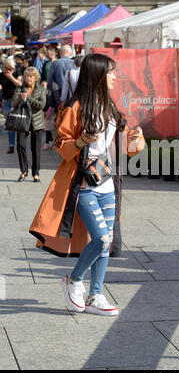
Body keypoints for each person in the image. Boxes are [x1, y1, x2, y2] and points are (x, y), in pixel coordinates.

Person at [29, 53, 145, 315]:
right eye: (111, 72)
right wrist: (81, 140)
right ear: (98, 75)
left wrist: (135, 139)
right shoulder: (74, 107)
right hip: (83, 183)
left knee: (107, 242)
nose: (115, 77)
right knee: (101, 240)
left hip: (108, 183)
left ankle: (94, 296)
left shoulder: (111, 107)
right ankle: (73, 279)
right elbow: (60, 144)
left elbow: (121, 147)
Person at [12, 67, 46, 182]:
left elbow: (41, 105)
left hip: (37, 122)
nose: (28, 78)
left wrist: (28, 98)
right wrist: (21, 99)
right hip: (22, 120)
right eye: (26, 76)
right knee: (20, 145)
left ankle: (35, 172)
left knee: (35, 148)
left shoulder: (41, 89)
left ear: (36, 78)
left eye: (31, 76)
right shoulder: (20, 88)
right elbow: (13, 103)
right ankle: (24, 170)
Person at [0, 59, 23, 153]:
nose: (8, 70)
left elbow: (20, 84)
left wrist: (11, 77)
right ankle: (11, 145)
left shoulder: (18, 71)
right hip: (6, 101)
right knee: (10, 124)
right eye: (6, 68)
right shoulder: (1, 75)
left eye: (10, 68)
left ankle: (20, 144)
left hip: (17, 101)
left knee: (18, 123)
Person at [41, 47, 58, 151]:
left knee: (56, 118)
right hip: (47, 92)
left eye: (49, 52)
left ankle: (54, 141)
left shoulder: (58, 63)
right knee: (46, 116)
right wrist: (43, 83)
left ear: (53, 53)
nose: (48, 54)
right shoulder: (46, 64)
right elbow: (43, 76)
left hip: (55, 92)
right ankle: (48, 140)